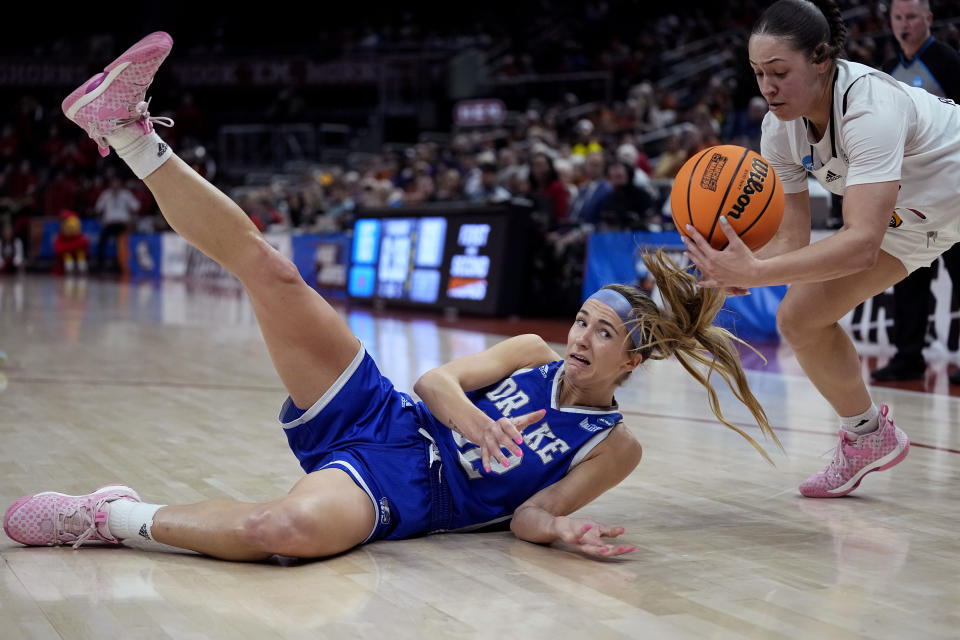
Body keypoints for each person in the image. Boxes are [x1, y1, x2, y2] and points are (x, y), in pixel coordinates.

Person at [3, 32, 779, 561]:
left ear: (631, 356)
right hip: (385, 414)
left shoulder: (615, 446)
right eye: (582, 319)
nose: (580, 335)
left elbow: (536, 514)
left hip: (415, 493)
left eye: (601, 332)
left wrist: (566, 539)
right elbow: (434, 382)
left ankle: (104, 516)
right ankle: (129, 131)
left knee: (285, 531)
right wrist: (474, 418)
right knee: (271, 270)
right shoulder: (531, 355)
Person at [683, 0, 960, 497]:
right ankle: (868, 435)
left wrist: (753, 273)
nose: (767, 86)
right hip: (915, 219)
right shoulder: (778, 129)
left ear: (821, 59)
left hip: (942, 194)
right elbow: (793, 238)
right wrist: (728, 268)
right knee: (800, 317)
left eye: (779, 72)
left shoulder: (868, 106)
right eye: (757, 73)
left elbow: (859, 248)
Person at [871, 0, 960, 384]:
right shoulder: (887, 73)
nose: (904, 25)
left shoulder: (948, 62)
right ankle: (908, 357)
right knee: (906, 280)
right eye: (898, 18)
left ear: (929, 19)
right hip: (906, 198)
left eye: (911, 17)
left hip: (951, 194)